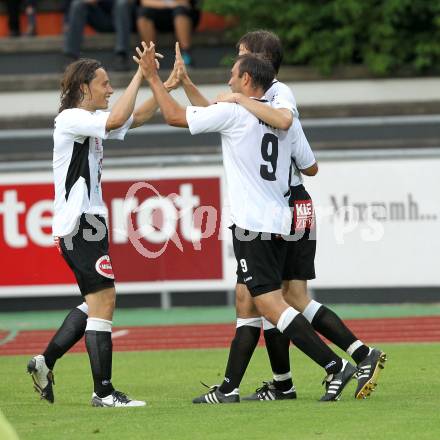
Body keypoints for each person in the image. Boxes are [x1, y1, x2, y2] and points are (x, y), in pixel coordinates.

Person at [135, 42, 358, 403]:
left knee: (271, 304)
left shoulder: (236, 111)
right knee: (250, 301)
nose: (228, 80)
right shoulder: (277, 114)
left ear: (248, 78)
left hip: (252, 223)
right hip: (278, 220)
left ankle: (335, 366)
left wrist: (154, 79)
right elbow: (304, 161)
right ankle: (235, 387)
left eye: (234, 74)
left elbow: (176, 116)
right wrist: (191, 86)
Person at [27, 49, 178, 407]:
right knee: (104, 299)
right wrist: (142, 75)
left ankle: (44, 362)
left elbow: (134, 117)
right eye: (104, 83)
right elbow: (116, 120)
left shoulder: (88, 119)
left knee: (94, 301)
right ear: (83, 87)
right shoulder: (71, 119)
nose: (110, 90)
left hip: (90, 222)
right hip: (80, 223)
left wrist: (159, 84)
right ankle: (103, 392)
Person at [63, 0, 136, 71]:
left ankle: (122, 56)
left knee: (122, 3)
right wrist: (67, 20)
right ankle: (71, 57)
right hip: (99, 17)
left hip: (120, 17)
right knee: (78, 3)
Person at [137, 0, 200, 66]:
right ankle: (150, 56)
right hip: (156, 13)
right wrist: (170, 4)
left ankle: (186, 53)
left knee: (181, 11)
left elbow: (184, 2)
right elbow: (145, 2)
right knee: (143, 13)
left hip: (180, 12)